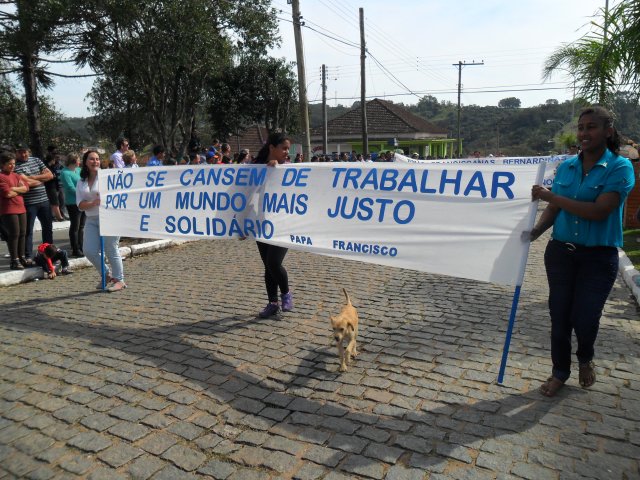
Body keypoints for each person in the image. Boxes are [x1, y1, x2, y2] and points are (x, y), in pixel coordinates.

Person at [529, 106, 635, 397]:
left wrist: (552, 196)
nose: (584, 133)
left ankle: (585, 357)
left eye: (591, 127)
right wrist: (534, 232)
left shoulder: (619, 167)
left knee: (585, 317)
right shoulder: (567, 167)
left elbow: (600, 211)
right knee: (559, 316)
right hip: (560, 253)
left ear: (608, 131)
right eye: (581, 127)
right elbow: (554, 207)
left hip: (598, 258)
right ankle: (559, 372)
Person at [252, 132, 294, 318]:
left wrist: (277, 169)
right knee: (268, 266)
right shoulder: (255, 168)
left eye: (288, 149)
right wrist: (240, 223)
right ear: (272, 148)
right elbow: (245, 193)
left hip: (283, 225)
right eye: (283, 148)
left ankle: (286, 294)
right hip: (261, 224)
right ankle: (272, 303)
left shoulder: (290, 169)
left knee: (273, 262)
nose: (287, 152)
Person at [76, 149, 127, 292]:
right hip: (91, 218)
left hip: (110, 217)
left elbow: (120, 194)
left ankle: (119, 280)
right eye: (91, 159)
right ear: (85, 162)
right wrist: (93, 202)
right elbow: (80, 204)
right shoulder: (81, 182)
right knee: (88, 250)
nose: (95, 161)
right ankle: (106, 274)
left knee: (111, 249)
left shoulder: (108, 177)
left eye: (97, 159)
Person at [13, 144, 54, 261]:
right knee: (28, 231)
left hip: (44, 200)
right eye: (20, 152)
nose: (23, 154)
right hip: (29, 203)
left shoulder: (36, 160)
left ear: (29, 151)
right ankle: (29, 256)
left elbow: (50, 175)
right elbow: (25, 183)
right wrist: (40, 179)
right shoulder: (15, 166)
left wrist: (31, 178)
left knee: (47, 228)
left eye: (25, 151)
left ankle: (49, 253)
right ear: (16, 153)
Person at [0, 150, 30, 270]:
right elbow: (7, 193)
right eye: (9, 164)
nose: (12, 166)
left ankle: (22, 257)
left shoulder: (16, 175)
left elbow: (26, 188)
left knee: (23, 233)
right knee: (14, 234)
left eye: (13, 163)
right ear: (2, 165)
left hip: (20, 207)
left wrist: (14, 189)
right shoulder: (1, 177)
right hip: (8, 210)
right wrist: (18, 188)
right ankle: (14, 260)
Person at [59, 153, 85, 257]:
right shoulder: (65, 173)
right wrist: (83, 193)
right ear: (74, 161)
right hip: (73, 202)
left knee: (82, 226)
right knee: (75, 226)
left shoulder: (78, 170)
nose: (80, 162)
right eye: (78, 160)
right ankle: (75, 248)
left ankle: (81, 246)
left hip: (83, 200)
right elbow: (70, 187)